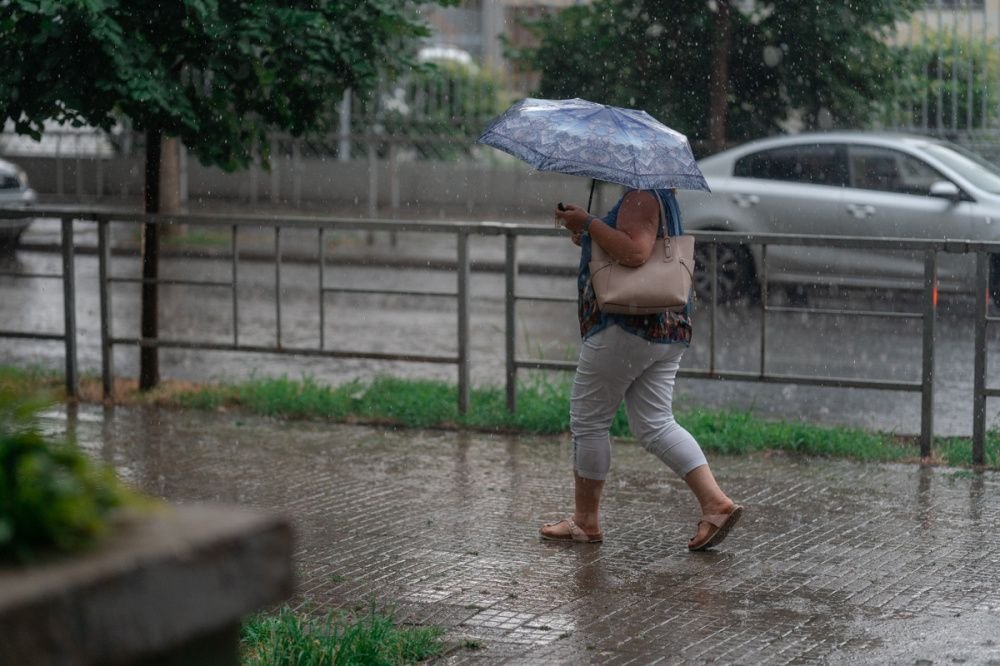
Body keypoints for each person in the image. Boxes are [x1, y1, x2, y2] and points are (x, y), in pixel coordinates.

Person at [540, 187, 743, 551]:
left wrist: (587, 221)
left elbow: (636, 252)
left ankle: (586, 521)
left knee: (589, 419)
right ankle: (715, 504)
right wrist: (592, 233)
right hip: (666, 328)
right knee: (655, 423)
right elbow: (633, 244)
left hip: (627, 326)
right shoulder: (661, 196)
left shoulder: (640, 196)